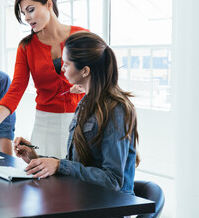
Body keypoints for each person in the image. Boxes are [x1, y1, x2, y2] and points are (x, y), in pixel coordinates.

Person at [13, 31, 140, 194]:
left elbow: (112, 180)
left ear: (85, 71)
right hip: (83, 198)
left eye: (66, 64)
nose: (62, 69)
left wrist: (59, 165)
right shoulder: (85, 103)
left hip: (110, 206)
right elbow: (77, 165)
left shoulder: (116, 109)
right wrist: (36, 159)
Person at [0, 0, 88, 158]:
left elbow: (103, 73)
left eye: (31, 9)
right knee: (44, 181)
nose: (26, 17)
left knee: (78, 180)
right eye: (23, 13)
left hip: (81, 120)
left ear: (49, 4)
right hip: (44, 125)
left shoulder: (82, 36)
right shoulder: (26, 47)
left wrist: (87, 86)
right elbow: (16, 90)